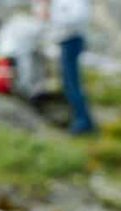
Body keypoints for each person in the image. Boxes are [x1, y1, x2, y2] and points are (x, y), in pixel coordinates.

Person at [39, 0, 95, 134]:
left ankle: (83, 121)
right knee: (68, 82)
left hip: (72, 40)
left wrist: (52, 16)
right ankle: (81, 119)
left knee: (72, 82)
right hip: (65, 40)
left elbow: (78, 17)